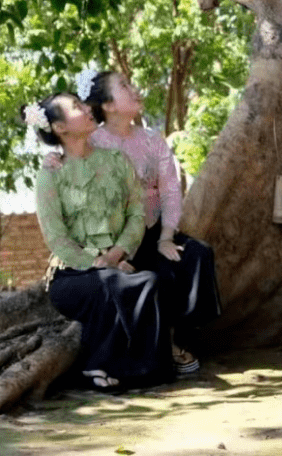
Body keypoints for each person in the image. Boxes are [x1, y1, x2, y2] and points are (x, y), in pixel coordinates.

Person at [27, 93, 172, 391]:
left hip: (116, 262)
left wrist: (117, 254)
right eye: (76, 108)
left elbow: (136, 213)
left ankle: (144, 371)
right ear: (59, 128)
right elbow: (56, 237)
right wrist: (96, 263)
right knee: (108, 283)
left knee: (148, 282)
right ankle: (96, 364)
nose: (86, 109)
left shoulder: (117, 161)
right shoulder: (50, 174)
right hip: (71, 275)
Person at [79, 70, 220, 374]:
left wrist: (166, 237)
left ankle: (174, 337)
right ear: (108, 105)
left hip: (154, 232)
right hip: (113, 239)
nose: (134, 89)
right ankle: (161, 349)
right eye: (124, 86)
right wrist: (111, 253)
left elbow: (170, 190)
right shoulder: (92, 143)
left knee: (195, 255)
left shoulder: (152, 140)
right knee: (148, 275)